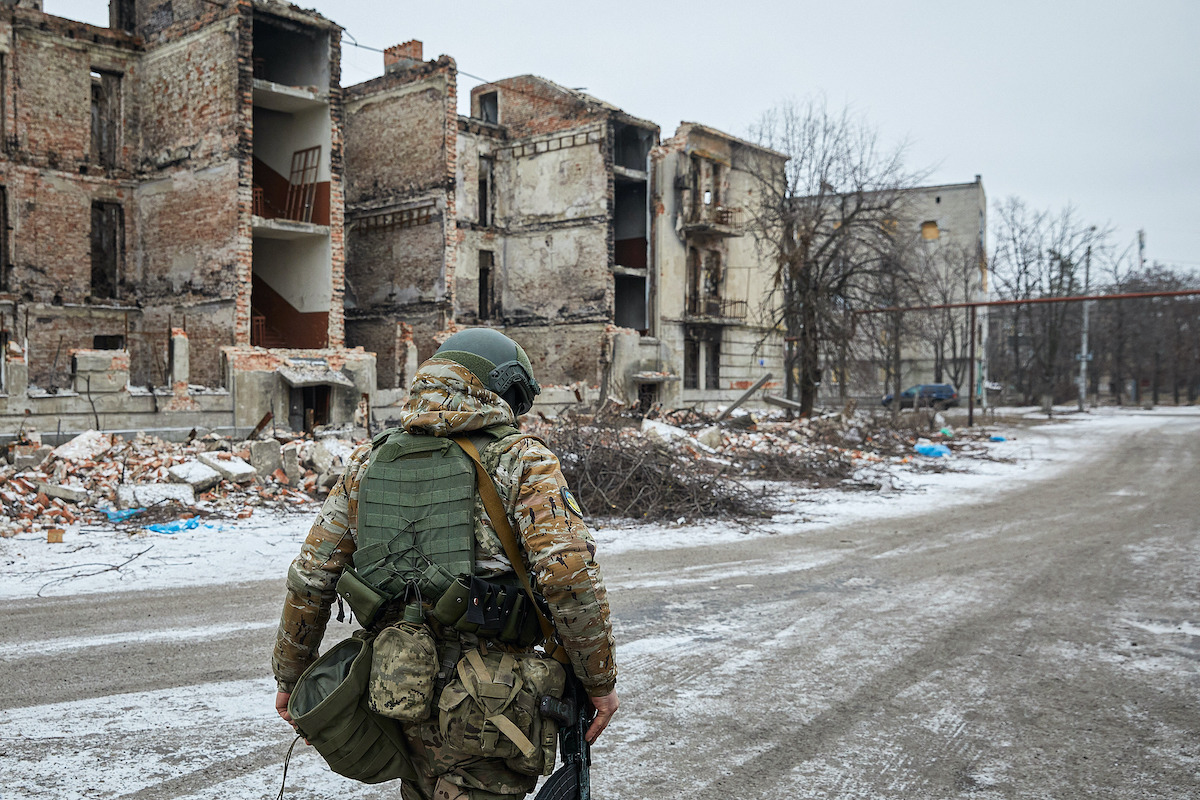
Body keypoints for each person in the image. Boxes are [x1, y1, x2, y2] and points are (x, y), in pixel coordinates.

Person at [271, 328, 618, 800]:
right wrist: (599, 682)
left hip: (397, 685)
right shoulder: (520, 459)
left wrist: (291, 676)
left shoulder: (367, 462)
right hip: (492, 701)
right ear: (503, 389)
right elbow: (567, 576)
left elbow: (311, 577)